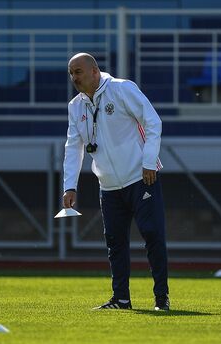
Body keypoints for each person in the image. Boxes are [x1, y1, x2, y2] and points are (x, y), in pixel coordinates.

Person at [62, 53, 169, 311]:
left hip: (141, 177)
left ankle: (161, 299)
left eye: (78, 71)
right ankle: (121, 299)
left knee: (153, 235)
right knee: (115, 243)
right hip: (108, 186)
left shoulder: (122, 89)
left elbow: (153, 121)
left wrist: (149, 161)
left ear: (94, 71)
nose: (74, 78)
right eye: (71, 73)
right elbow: (73, 146)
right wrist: (69, 185)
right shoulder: (75, 106)